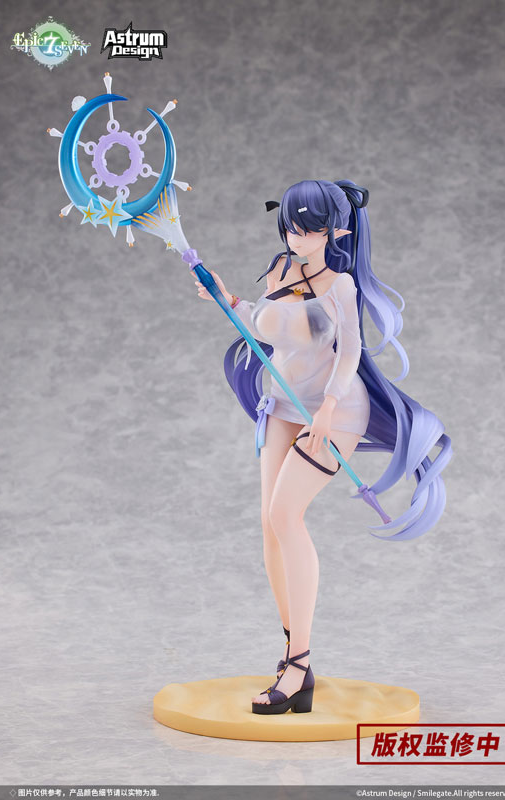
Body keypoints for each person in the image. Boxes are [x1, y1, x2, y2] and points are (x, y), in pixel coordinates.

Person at [193, 179, 451, 715]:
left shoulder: (341, 287)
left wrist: (329, 407)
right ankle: (296, 661)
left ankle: (298, 663)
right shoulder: (279, 270)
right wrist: (229, 299)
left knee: (286, 517)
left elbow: (350, 352)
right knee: (269, 527)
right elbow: (269, 330)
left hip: (336, 411)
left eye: (308, 227)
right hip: (283, 405)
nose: (296, 235)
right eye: (289, 224)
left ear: (337, 231)